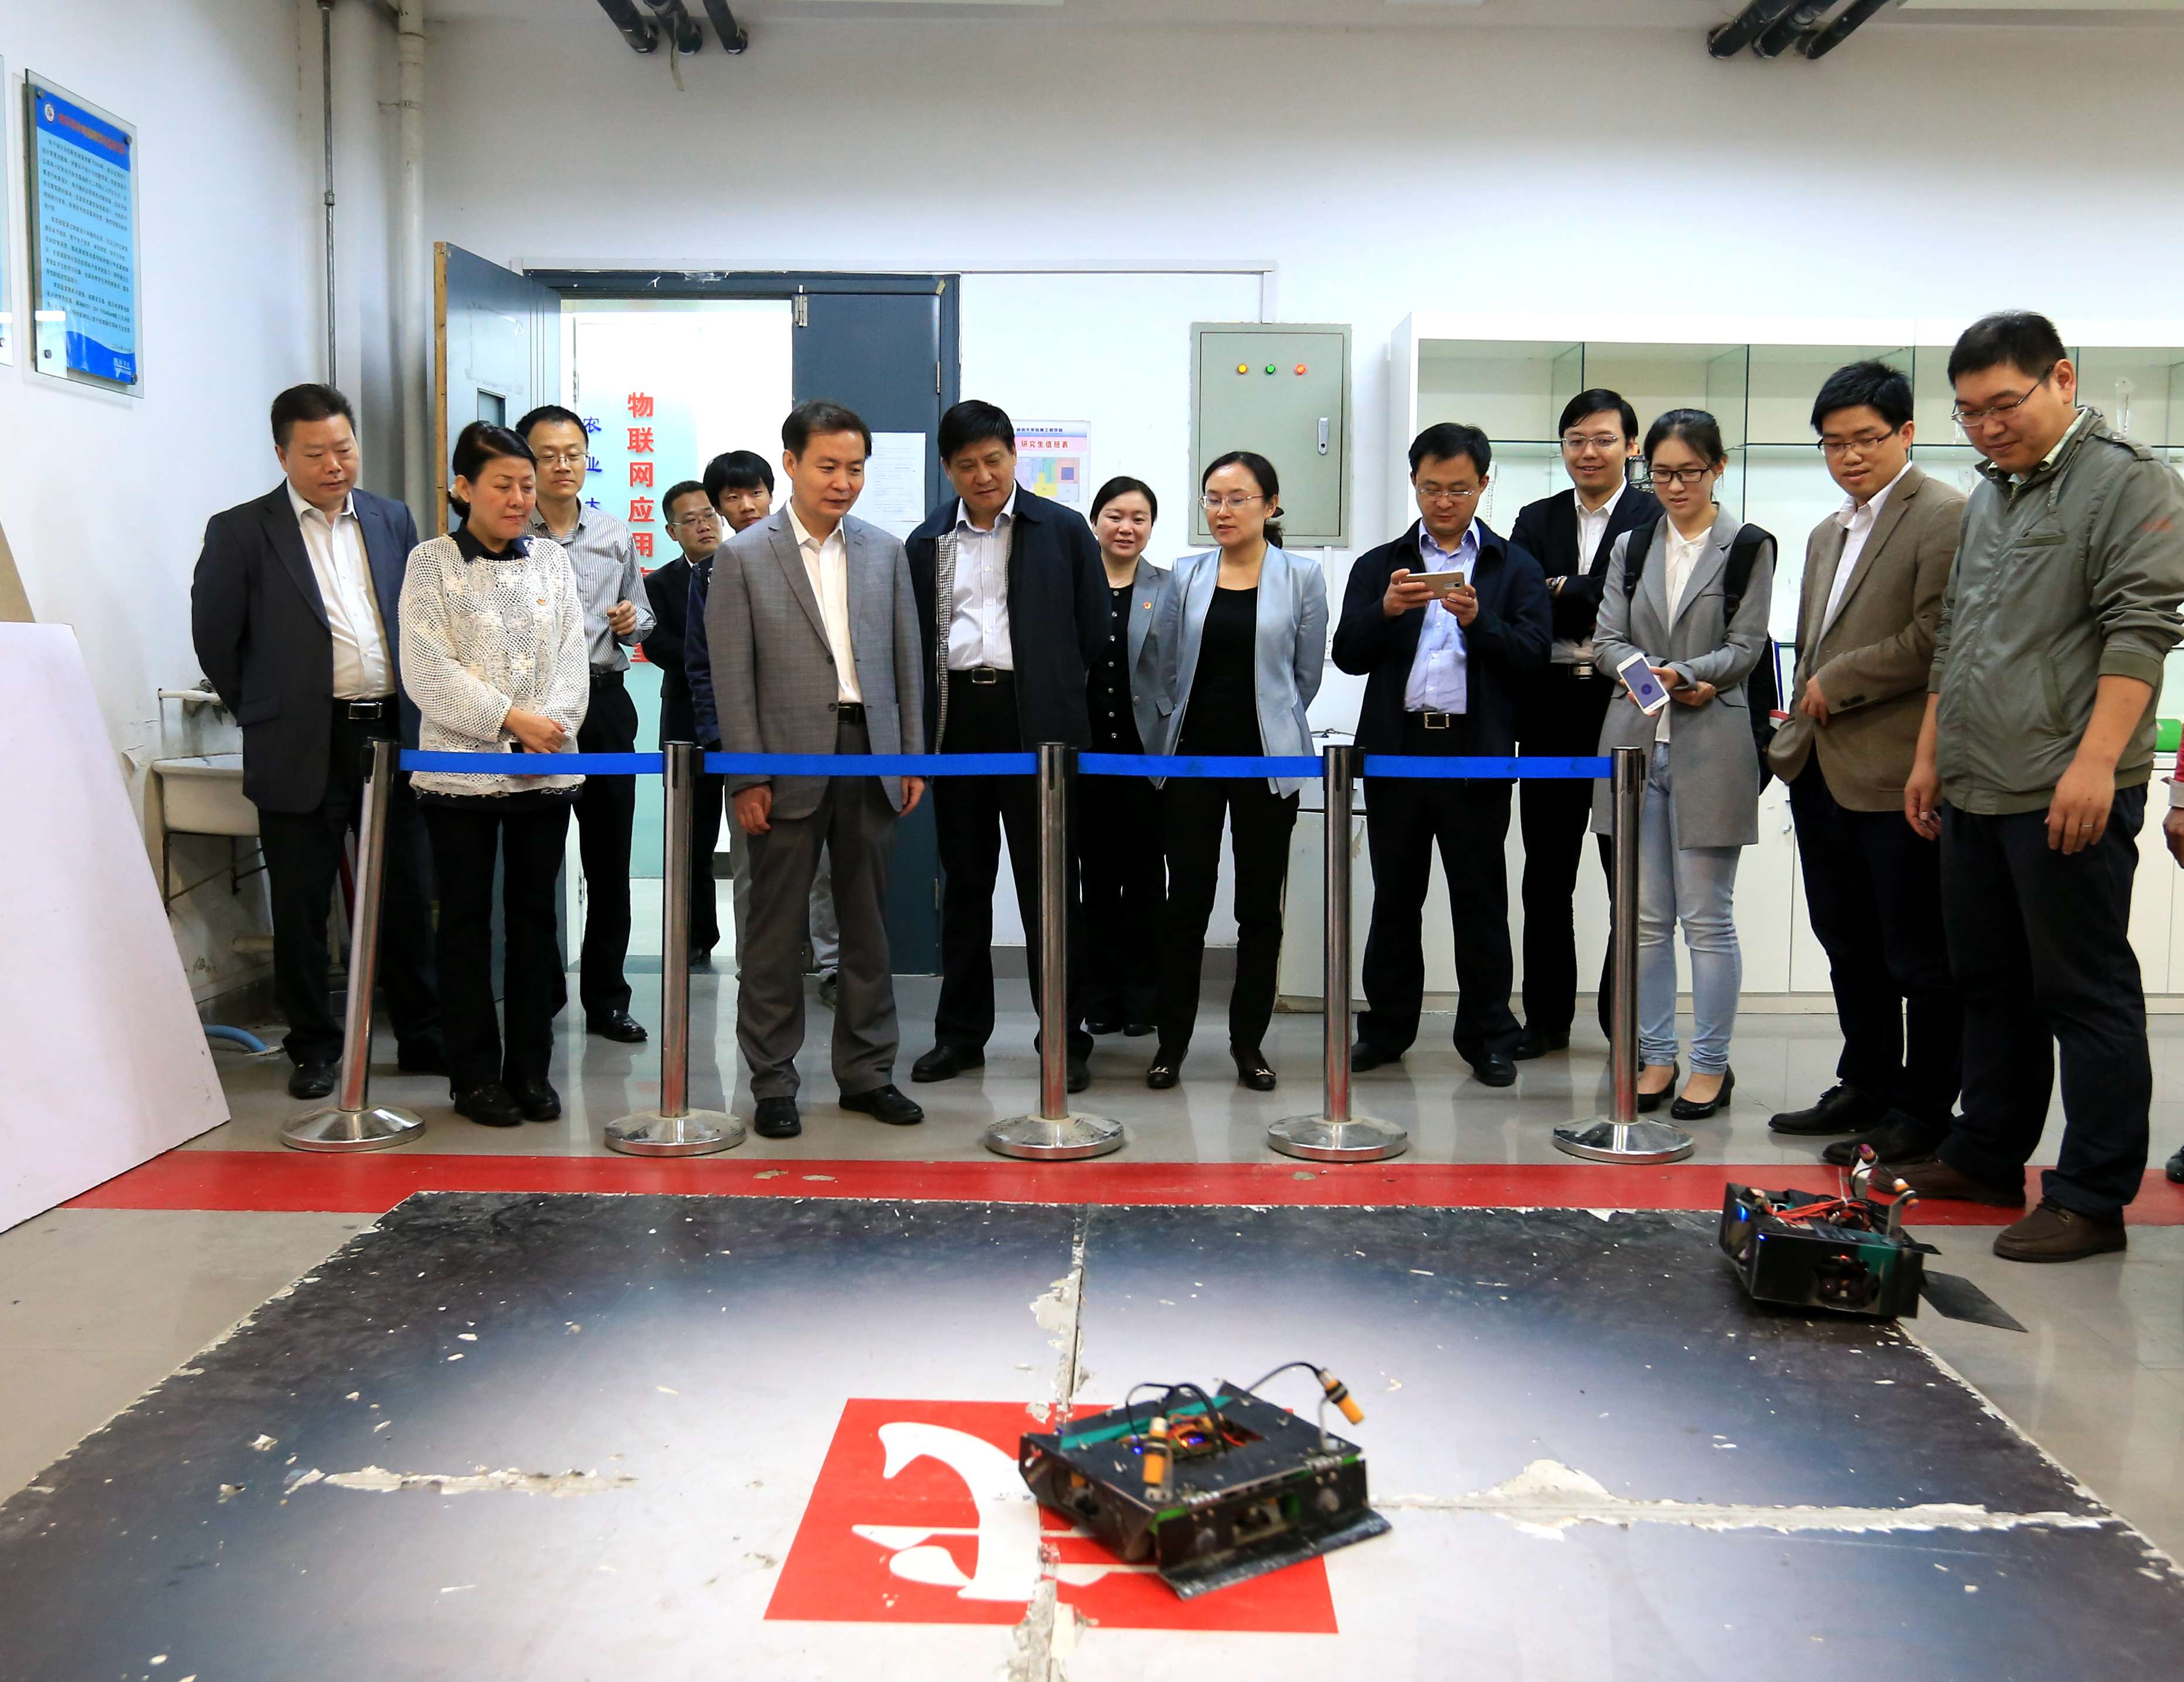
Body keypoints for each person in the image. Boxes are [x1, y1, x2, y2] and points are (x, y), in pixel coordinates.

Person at [1897, 311, 2184, 1262]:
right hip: (1976, 779)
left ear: (2062, 378)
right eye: (1969, 412)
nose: (1987, 427)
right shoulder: (1993, 493)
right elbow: (1956, 635)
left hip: (2065, 782)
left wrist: (2095, 764)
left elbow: (2142, 629)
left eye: (2003, 404)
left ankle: (2092, 1196)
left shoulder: (2129, 479)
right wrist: (1931, 755)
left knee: (2083, 990)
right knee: (1988, 983)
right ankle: (1986, 1153)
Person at [190, 384, 441, 1098]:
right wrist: (268, 712)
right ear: (281, 455)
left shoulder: (392, 519)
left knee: (405, 891)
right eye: (315, 454)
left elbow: (419, 619)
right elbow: (216, 638)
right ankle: (313, 1048)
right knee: (302, 903)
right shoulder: (242, 531)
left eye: (344, 448)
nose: (334, 465)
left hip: (391, 731)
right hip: (301, 739)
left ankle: (421, 1034)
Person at [707, 400, 928, 1139]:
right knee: (774, 935)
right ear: (791, 464)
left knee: (866, 928)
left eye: (854, 468)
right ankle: (773, 1082)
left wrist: (909, 756)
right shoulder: (743, 557)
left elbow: (906, 663)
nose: (842, 482)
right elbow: (732, 678)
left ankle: (867, 1074)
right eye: (828, 466)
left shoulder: (883, 552)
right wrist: (746, 777)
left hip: (870, 753)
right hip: (782, 762)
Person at [1767, 362, 1966, 1168]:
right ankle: (1866, 1082)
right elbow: (1811, 641)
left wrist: (1837, 680)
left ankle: (1923, 1109)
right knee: (1846, 942)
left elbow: (1935, 638)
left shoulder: (1943, 514)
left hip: (1896, 770)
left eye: (1865, 439)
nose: (1848, 456)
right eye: (1832, 443)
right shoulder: (1827, 532)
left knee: (1916, 953)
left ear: (1906, 433)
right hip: (1819, 765)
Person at [1333, 423, 1552, 1088]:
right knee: (1394, 899)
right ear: (1413, 484)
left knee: (1479, 900)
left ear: (1483, 484)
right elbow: (1347, 655)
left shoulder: (1514, 567)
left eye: (1458, 489)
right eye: (1431, 488)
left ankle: (1488, 1037)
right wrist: (1385, 610)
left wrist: (1479, 622)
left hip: (1475, 753)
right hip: (1397, 750)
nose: (1443, 502)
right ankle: (1385, 1030)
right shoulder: (1381, 563)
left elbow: (1531, 661)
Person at [905, 400, 1107, 1091]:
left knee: (1048, 887)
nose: (983, 476)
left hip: (1039, 725)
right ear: (947, 469)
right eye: (967, 465)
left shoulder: (1062, 529)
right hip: (958, 721)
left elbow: (1091, 629)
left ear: (1014, 456)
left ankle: (1065, 1038)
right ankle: (960, 1036)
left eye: (993, 461)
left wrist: (1050, 687)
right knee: (964, 884)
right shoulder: (928, 540)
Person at [399, 422, 589, 1125]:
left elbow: (572, 655)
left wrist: (551, 727)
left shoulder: (552, 563)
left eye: (525, 486)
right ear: (463, 488)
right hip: (459, 778)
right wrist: (512, 721)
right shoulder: (430, 563)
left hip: (545, 773)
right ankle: (474, 1075)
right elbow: (427, 670)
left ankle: (531, 1071)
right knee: (465, 924)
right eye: (503, 485)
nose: (517, 499)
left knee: (536, 923)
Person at [1591, 410, 1775, 1120]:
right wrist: (1651, 679)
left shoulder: (1747, 545)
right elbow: (1606, 639)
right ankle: (1656, 1056)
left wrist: (1688, 674)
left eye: (1688, 473)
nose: (1673, 486)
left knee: (1706, 919)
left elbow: (1747, 646)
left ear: (1716, 468)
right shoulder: (1632, 545)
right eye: (1660, 473)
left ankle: (1710, 1065)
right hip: (1634, 742)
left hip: (1711, 745)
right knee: (1642, 920)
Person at [1146, 452, 1324, 1091]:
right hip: (1192, 759)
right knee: (1185, 905)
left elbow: (1305, 676)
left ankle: (1248, 1044)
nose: (1222, 511)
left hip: (1266, 764)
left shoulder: (1301, 576)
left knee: (1258, 909)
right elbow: (1167, 665)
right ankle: (1170, 1044)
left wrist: (1273, 724)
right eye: (1212, 498)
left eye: (1237, 498)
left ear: (1269, 505)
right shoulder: (1187, 574)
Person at [1508, 391, 1660, 1057]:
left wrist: (1565, 587)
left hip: (1623, 704)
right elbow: (1521, 605)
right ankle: (1545, 1022)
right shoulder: (1535, 517)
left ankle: (1621, 1022)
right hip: (1547, 709)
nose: (1587, 452)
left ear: (1631, 446)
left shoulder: (1654, 515)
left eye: (1602, 439)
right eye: (1575, 439)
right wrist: (1589, 593)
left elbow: (1641, 606)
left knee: (1627, 876)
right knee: (1546, 876)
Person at [518, 403, 654, 1045]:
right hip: (534, 712)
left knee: (608, 861)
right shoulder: (510, 533)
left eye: (573, 453)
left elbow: (643, 617)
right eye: (548, 455)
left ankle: (607, 999)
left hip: (603, 706)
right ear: (526, 462)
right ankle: (541, 994)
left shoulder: (611, 533)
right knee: (536, 860)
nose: (562, 465)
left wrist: (631, 620)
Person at [689, 450, 841, 992]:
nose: (747, 505)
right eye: (732, 497)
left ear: (772, 491)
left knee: (825, 863)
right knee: (751, 864)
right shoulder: (710, 573)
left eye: (755, 492)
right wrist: (726, 743)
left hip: (812, 737)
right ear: (719, 507)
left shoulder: (812, 556)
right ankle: (757, 965)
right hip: (746, 743)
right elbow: (702, 667)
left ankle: (831, 965)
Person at [1080, 477, 1172, 1037]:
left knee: (1144, 881)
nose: (1126, 527)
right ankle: (1099, 999)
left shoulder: (1169, 586)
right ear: (1095, 521)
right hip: (1085, 756)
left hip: (1147, 756)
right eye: (1115, 516)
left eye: (1139, 518)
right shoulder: (1074, 581)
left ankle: (1144, 1000)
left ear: (1151, 527)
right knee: (1094, 881)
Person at [640, 479, 728, 962]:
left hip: (748, 717)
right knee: (691, 835)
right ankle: (696, 937)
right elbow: (658, 646)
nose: (703, 525)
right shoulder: (658, 585)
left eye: (709, 514)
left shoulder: (746, 568)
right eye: (690, 520)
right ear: (673, 532)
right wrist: (721, 658)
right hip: (686, 718)